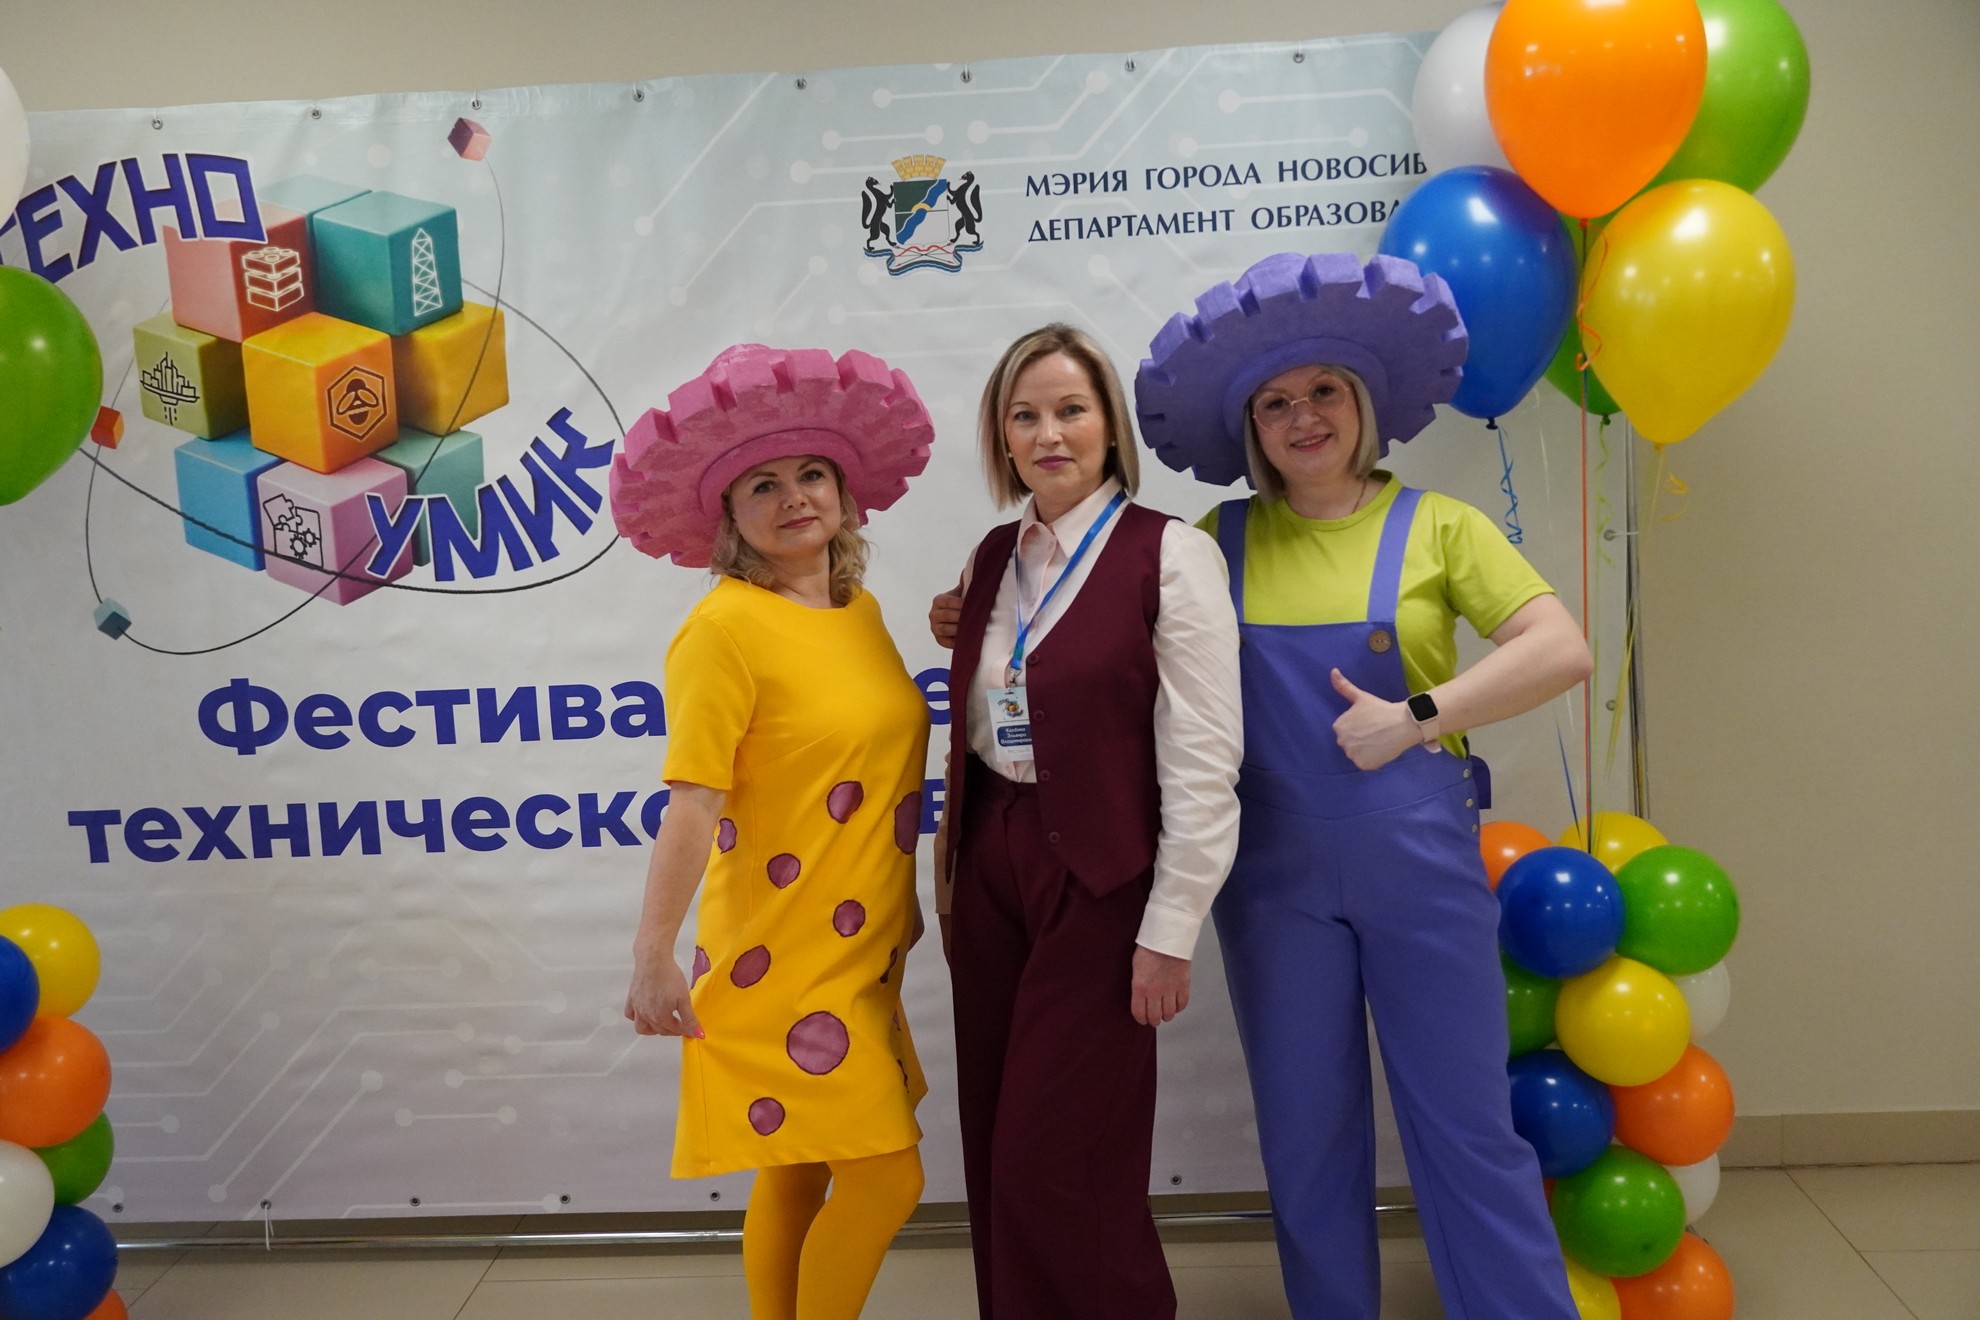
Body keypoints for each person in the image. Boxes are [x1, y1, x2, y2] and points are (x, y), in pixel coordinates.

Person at [1133, 251, 1594, 1320]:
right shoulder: (1211, 544)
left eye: (1325, 391)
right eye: (1277, 401)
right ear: (1251, 427)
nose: (1304, 417)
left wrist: (1417, 715)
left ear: (1364, 403)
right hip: (1273, 878)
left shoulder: (1440, 526)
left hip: (1419, 863)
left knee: (1468, 1126)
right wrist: (987, 611)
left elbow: (1561, 649)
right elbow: (1115, 649)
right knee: (1306, 1137)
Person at [616, 343, 937, 1320]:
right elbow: (693, 801)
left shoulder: (859, 612)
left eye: (811, 474)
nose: (794, 497)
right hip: (781, 950)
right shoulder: (722, 629)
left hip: (861, 943)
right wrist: (652, 955)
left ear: (843, 491)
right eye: (763, 484)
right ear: (728, 517)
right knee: (888, 1179)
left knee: (799, 1165)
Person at [936, 323, 1243, 1320]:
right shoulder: (993, 558)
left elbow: (1204, 757)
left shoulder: (1172, 554)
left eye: (1071, 410)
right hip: (992, 858)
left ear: (1110, 425)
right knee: (996, 1141)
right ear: (1001, 436)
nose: (1048, 434)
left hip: (1101, 874)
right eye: (1024, 416)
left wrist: (1171, 929)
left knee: (1060, 1155)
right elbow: (996, 701)